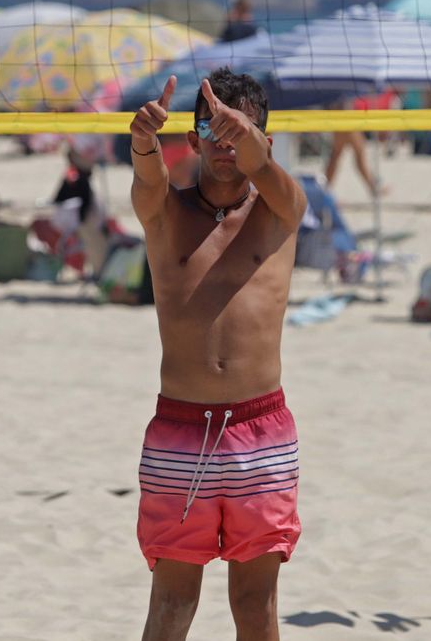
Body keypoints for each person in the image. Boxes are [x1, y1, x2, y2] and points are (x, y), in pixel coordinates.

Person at [129, 67, 307, 641]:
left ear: (263, 142)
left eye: (239, 131)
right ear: (192, 139)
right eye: (212, 128)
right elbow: (147, 186)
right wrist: (141, 144)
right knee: (173, 604)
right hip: (182, 430)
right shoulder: (166, 213)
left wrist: (245, 141)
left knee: (255, 604)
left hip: (261, 430)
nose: (224, 142)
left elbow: (278, 183)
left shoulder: (281, 208)